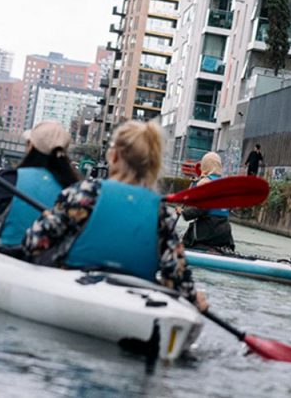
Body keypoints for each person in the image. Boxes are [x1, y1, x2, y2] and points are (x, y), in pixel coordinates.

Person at [23, 120, 208, 312]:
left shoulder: (86, 193)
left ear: (114, 156)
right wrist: (195, 299)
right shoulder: (161, 213)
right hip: (135, 305)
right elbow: (178, 280)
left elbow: (33, 243)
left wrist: (47, 217)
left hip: (74, 293)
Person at [180, 152, 235, 252]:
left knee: (185, 241)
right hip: (225, 232)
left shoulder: (204, 182)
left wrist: (183, 212)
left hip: (207, 230)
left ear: (205, 166)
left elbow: (201, 208)